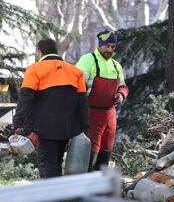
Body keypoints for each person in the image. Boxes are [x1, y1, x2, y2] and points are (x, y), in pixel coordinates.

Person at [13, 38, 88, 179]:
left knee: (48, 163)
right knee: (57, 160)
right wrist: (84, 128)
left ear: (40, 53)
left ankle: (52, 199)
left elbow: (25, 97)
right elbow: (83, 103)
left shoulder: (34, 69)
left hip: (43, 127)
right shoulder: (76, 72)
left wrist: (18, 122)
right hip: (67, 127)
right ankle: (57, 197)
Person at [76, 29, 129, 171]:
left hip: (110, 115)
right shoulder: (87, 60)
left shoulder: (116, 66)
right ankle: (85, 180)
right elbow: (76, 85)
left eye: (112, 47)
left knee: (107, 148)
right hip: (91, 113)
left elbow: (123, 87)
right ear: (100, 45)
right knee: (92, 148)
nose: (110, 50)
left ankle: (100, 183)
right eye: (107, 46)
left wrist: (121, 94)